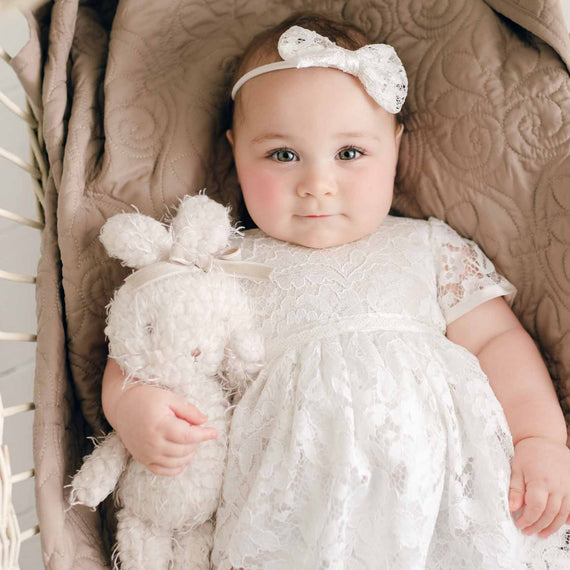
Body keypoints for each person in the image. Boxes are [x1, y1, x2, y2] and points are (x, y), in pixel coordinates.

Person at [101, 12, 570, 570]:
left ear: (395, 147)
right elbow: (154, 352)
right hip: (300, 509)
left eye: (349, 154)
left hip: (445, 493)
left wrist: (540, 439)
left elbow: (497, 342)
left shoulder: (428, 246)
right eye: (282, 155)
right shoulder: (224, 265)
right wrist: (133, 407)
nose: (316, 183)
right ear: (235, 150)